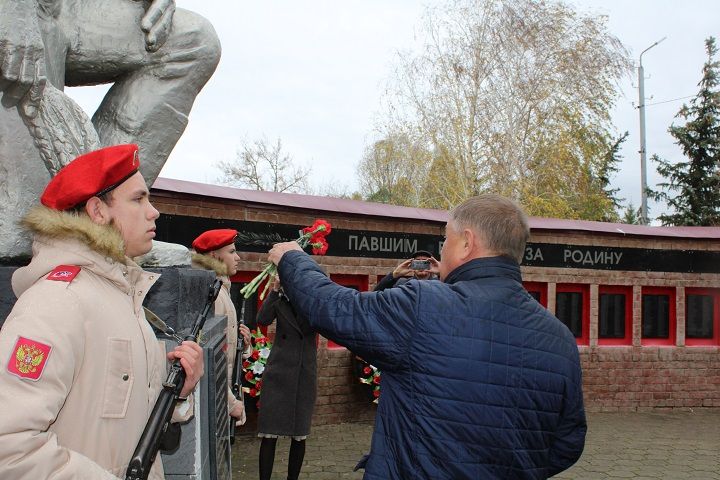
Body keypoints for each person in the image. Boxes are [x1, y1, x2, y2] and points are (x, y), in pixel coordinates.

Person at [268, 194, 587, 480]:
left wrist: (292, 259)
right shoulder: (559, 337)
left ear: (466, 242)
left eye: (444, 240)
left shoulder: (423, 305)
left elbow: (334, 307)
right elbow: (567, 444)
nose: (442, 250)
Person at [0, 144, 205, 480]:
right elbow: (9, 449)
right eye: (138, 199)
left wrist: (178, 397)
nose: (153, 212)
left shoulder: (121, 295)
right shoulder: (57, 302)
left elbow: (125, 418)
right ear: (97, 211)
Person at [255, 276, 318, 480]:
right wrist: (274, 290)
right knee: (269, 434)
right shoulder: (279, 300)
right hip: (279, 372)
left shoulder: (313, 302)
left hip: (303, 373)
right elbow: (262, 320)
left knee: (299, 436)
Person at [190, 229, 252, 427]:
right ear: (214, 255)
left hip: (217, 400)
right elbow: (208, 357)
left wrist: (245, 345)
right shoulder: (213, 293)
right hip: (212, 402)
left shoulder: (221, 288)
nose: (238, 257)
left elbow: (226, 349)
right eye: (232, 252)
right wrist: (230, 403)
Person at [374, 250, 440, 291]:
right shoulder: (402, 283)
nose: (421, 265)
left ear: (431, 264)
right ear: (412, 265)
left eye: (425, 262)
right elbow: (377, 292)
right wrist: (394, 274)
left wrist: (441, 273)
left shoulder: (439, 283)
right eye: (418, 262)